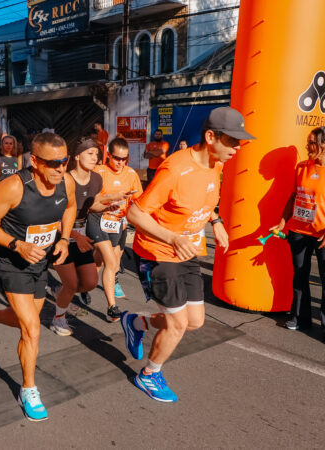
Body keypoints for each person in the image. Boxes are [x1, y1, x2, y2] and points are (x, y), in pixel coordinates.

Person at [121, 106, 247, 402]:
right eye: (232, 141)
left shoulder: (217, 163)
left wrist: (216, 222)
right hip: (159, 252)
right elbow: (136, 214)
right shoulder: (175, 169)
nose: (238, 147)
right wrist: (172, 237)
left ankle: (136, 322)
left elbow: (203, 201)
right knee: (177, 324)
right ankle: (149, 375)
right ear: (211, 136)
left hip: (188, 250)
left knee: (194, 322)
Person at [0, 132, 75, 421]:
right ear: (35, 161)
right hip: (12, 261)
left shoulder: (67, 182)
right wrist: (18, 245)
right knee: (32, 329)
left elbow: (71, 207)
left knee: (24, 321)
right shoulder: (13, 187)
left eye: (65, 161)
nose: (61, 168)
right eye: (53, 163)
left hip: (40, 262)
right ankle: (28, 389)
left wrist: (64, 240)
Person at [270, 125, 325, 347]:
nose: (306, 147)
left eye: (311, 143)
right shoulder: (302, 167)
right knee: (300, 275)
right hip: (298, 232)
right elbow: (293, 197)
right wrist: (282, 222)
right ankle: (300, 317)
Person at [50, 139, 127, 336]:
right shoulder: (64, 180)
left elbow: (93, 206)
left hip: (81, 235)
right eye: (90, 153)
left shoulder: (96, 180)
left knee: (91, 282)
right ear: (77, 156)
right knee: (72, 284)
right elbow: (53, 218)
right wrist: (73, 235)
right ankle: (58, 319)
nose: (95, 157)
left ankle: (61, 293)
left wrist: (109, 206)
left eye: (96, 154)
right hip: (61, 238)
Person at [88, 137, 142, 322]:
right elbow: (91, 202)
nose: (120, 162)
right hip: (98, 219)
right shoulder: (99, 172)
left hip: (119, 223)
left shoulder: (131, 174)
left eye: (124, 159)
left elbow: (139, 201)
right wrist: (111, 198)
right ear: (108, 155)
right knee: (111, 263)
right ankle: (112, 307)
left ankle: (87, 284)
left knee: (104, 260)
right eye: (117, 158)